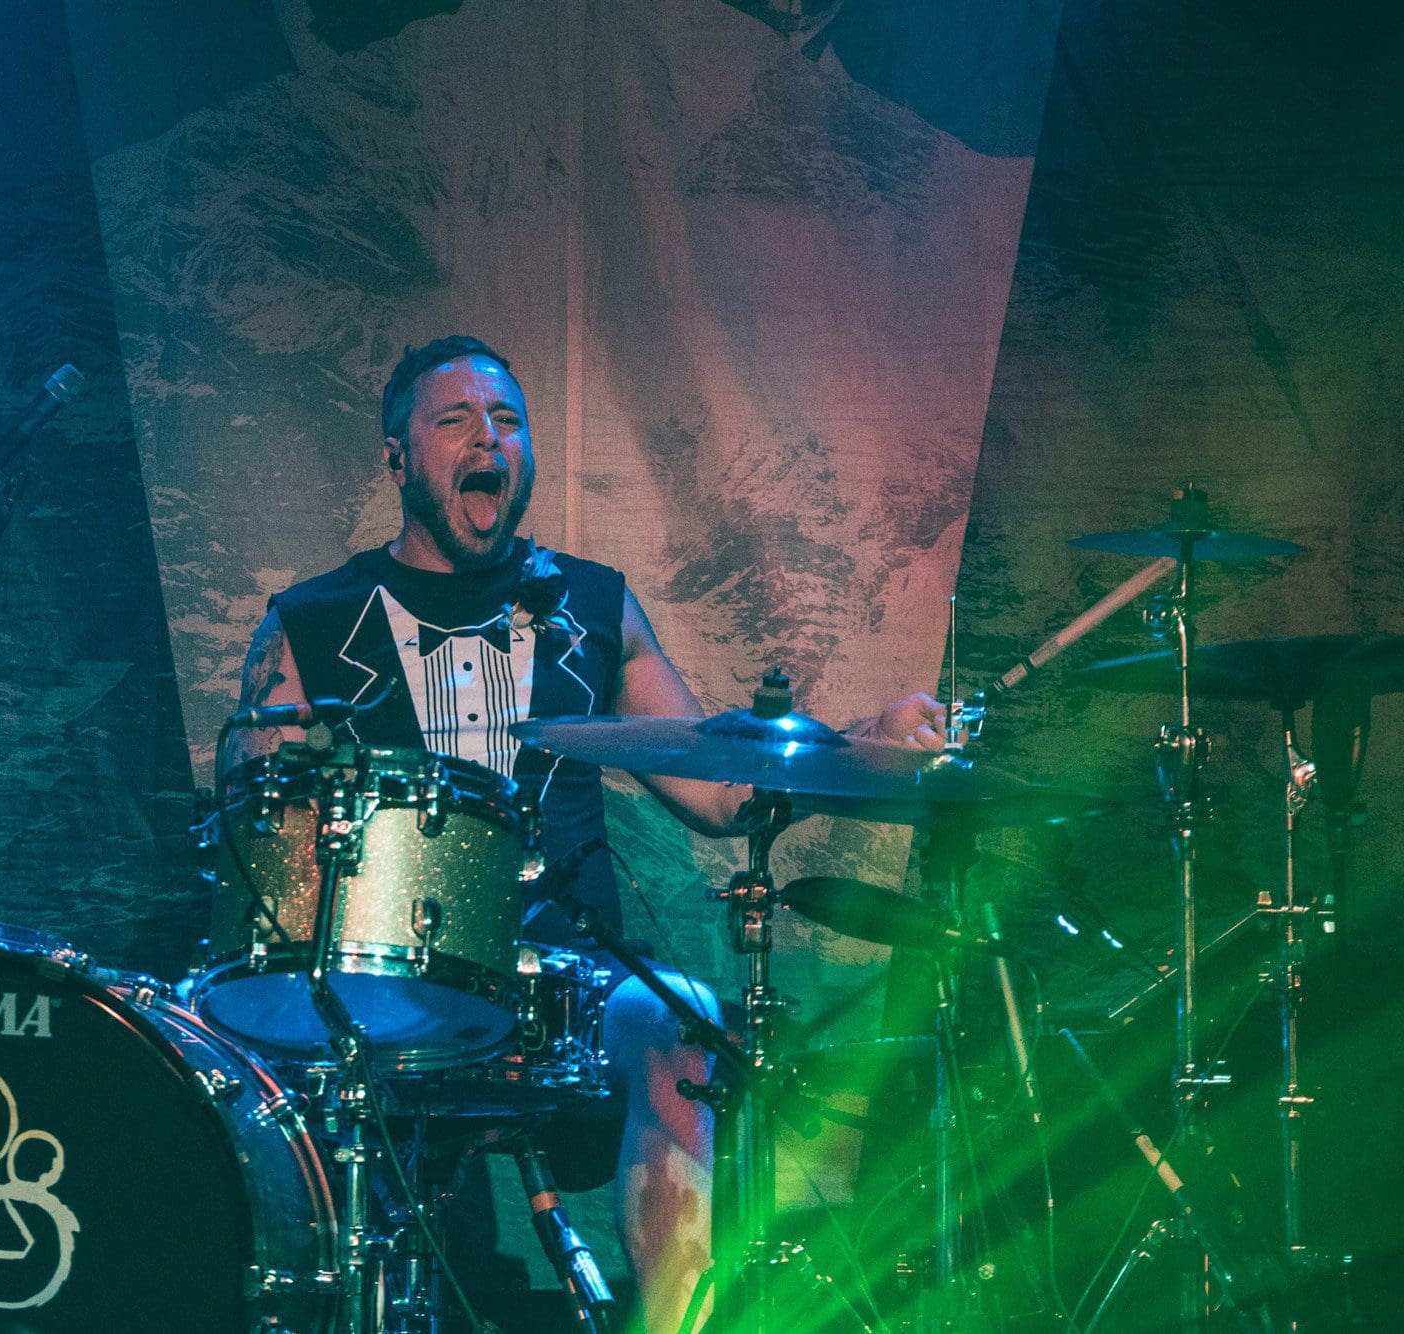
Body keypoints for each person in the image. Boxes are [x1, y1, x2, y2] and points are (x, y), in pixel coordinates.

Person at [224, 336, 943, 1330]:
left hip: (567, 974)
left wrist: (863, 739)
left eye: (507, 420)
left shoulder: (591, 606)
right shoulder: (311, 619)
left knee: (681, 1019)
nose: (488, 438)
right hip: (389, 973)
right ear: (397, 458)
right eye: (455, 420)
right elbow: (255, 825)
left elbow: (721, 795)